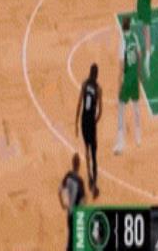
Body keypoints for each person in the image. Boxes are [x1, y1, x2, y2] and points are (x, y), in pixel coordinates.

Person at [114, 16, 141, 155]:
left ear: (122, 27)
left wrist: (119, 87)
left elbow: (121, 66)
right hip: (135, 78)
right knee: (136, 108)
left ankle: (121, 143)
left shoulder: (122, 42)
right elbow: (139, 56)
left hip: (127, 80)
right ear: (130, 26)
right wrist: (139, 74)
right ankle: (138, 137)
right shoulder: (135, 37)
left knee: (121, 111)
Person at [75, 64, 102, 199]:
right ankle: (94, 180)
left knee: (86, 149)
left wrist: (76, 122)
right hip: (91, 122)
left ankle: (89, 174)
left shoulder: (84, 84)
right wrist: (95, 121)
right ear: (97, 75)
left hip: (83, 121)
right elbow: (100, 111)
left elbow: (79, 104)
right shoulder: (98, 89)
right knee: (94, 152)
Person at [58, 153, 85, 251]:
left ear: (72, 163)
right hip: (77, 216)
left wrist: (62, 204)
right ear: (79, 165)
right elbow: (82, 202)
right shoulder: (80, 181)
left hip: (69, 214)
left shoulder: (68, 176)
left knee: (71, 241)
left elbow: (59, 190)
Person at [135, 0, 153, 78]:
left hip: (139, 1)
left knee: (143, 26)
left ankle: (146, 49)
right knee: (148, 32)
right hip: (146, 2)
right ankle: (147, 59)